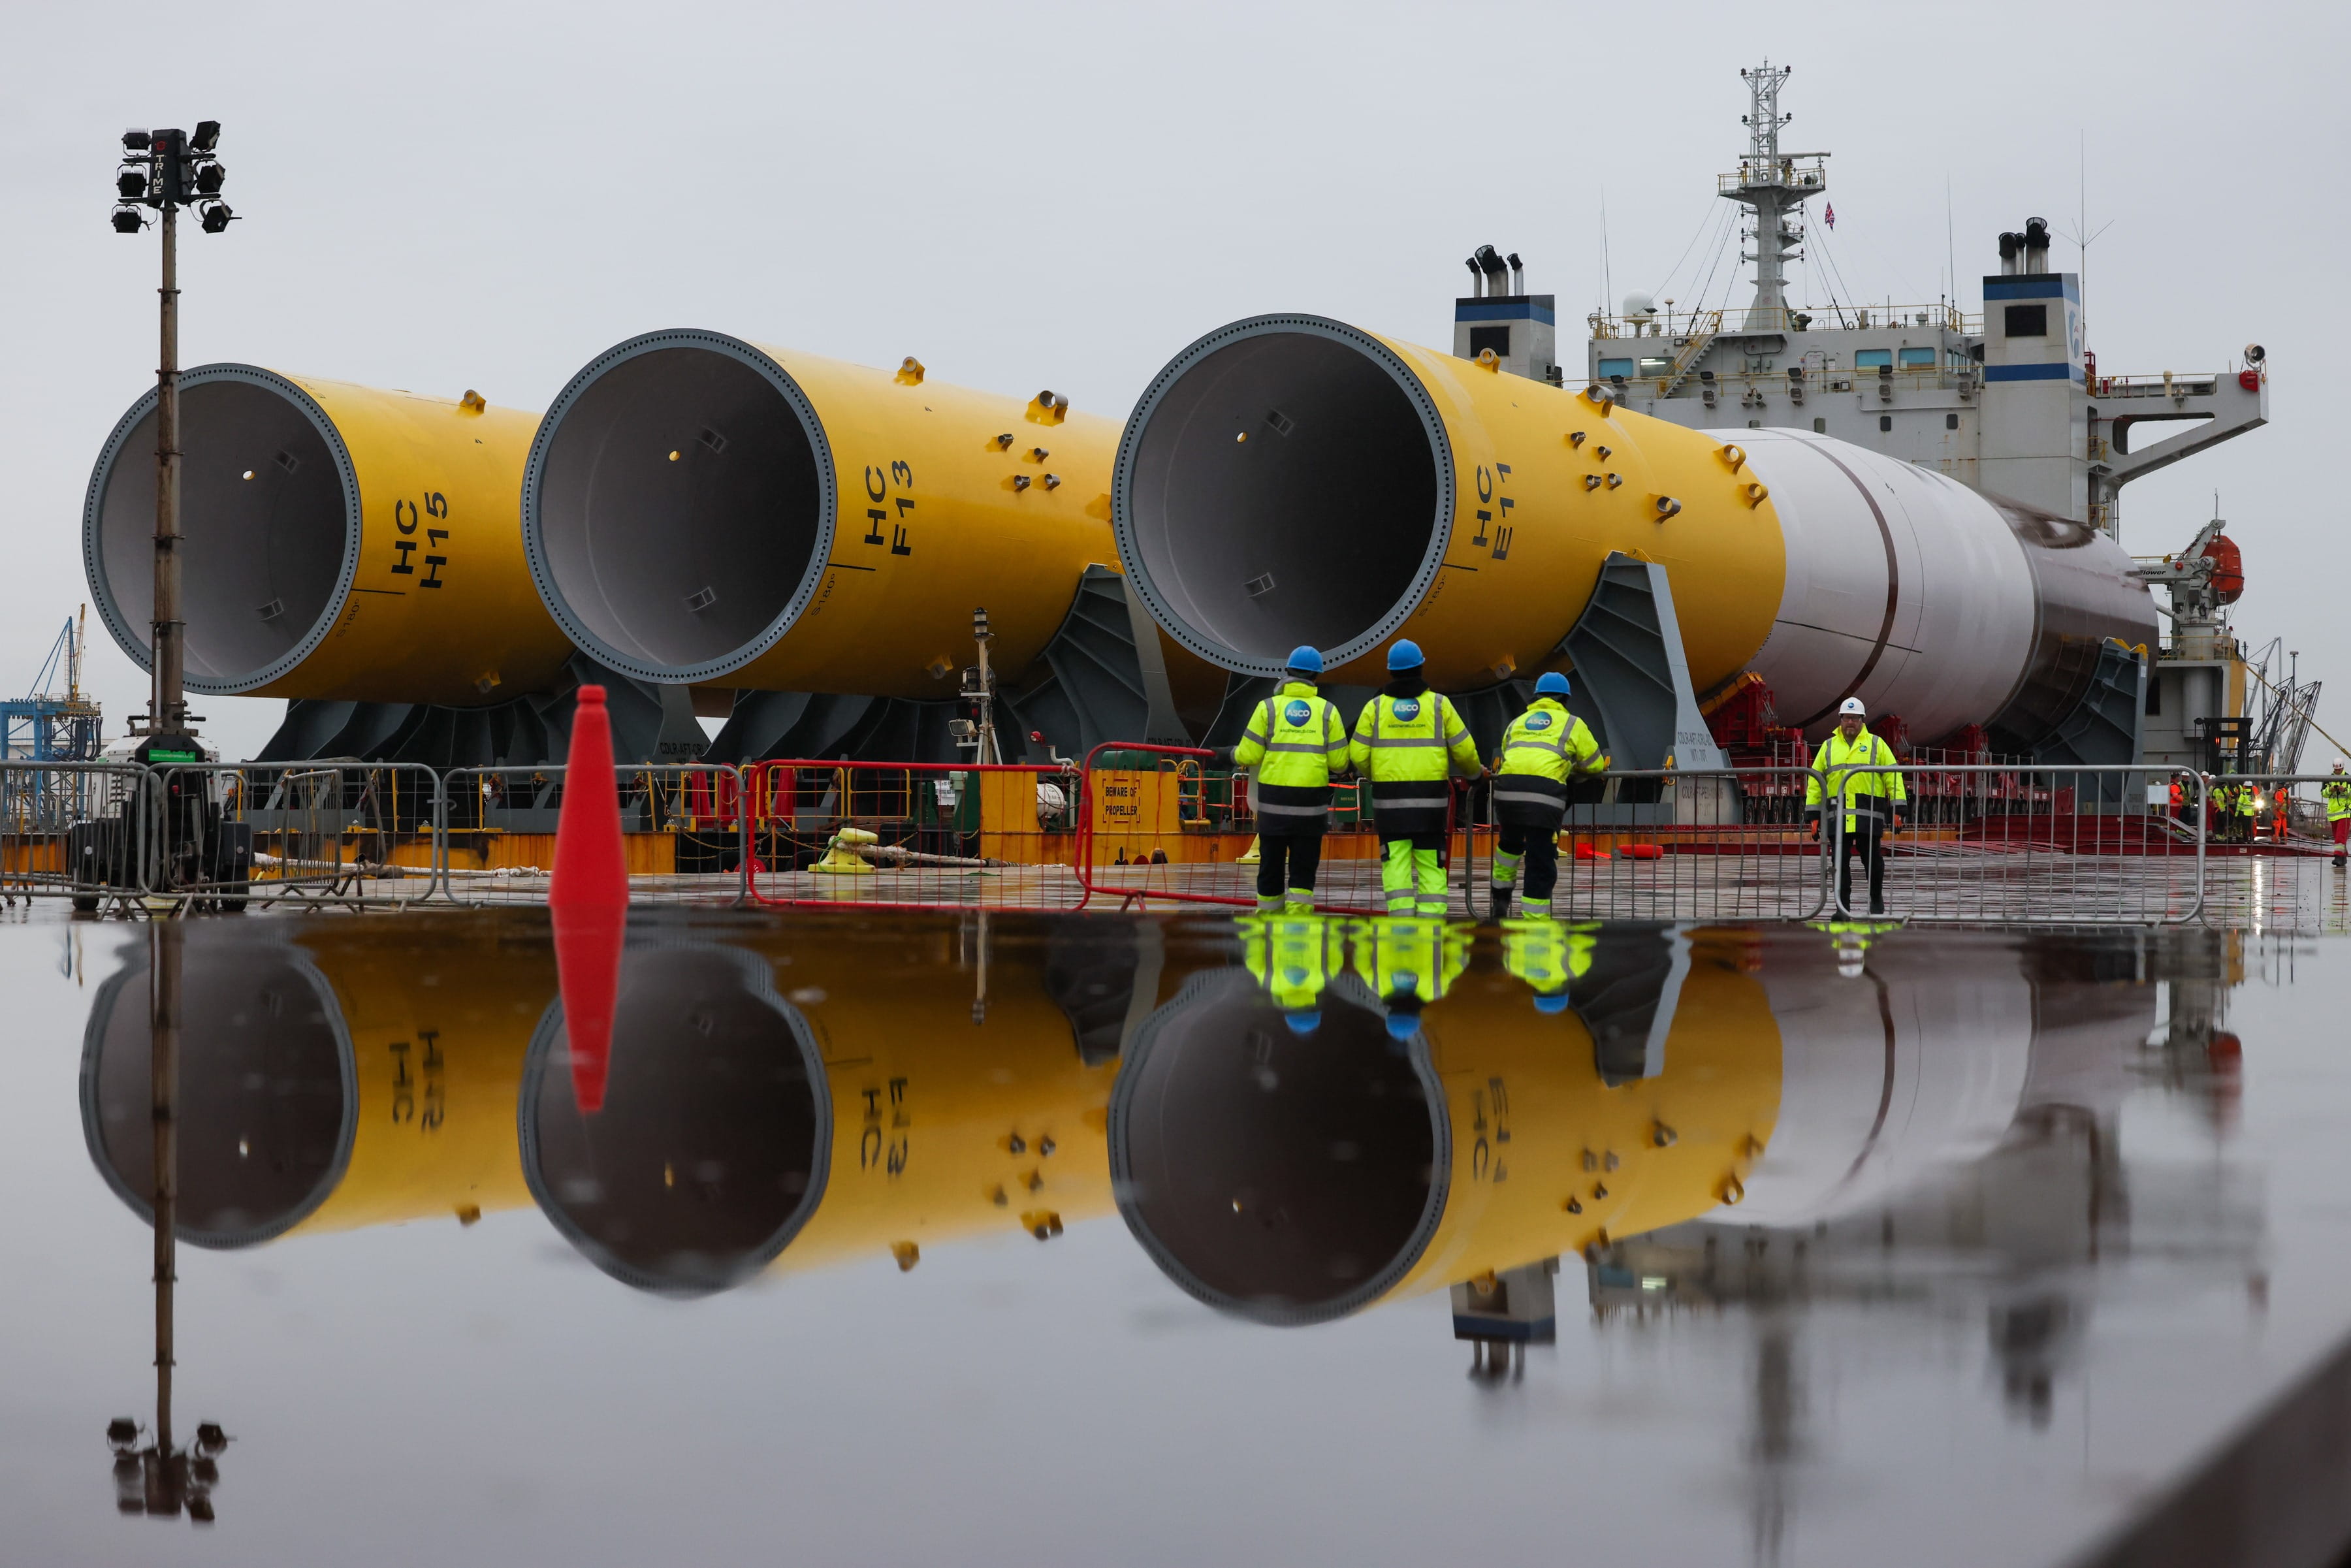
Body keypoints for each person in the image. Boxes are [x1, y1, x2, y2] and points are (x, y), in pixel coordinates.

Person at [1349, 640, 1482, 916]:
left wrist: (1375, 776)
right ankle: (1431, 922)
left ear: (1390, 671)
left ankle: (1401, 924)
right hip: (1431, 802)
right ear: (1421, 667)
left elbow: (1358, 754)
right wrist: (1475, 775)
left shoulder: (1375, 708)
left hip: (1389, 801)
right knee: (1431, 862)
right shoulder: (1439, 705)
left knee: (1395, 861)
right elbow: (1465, 750)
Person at [1224, 645, 1350, 912]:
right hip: (1311, 805)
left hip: (1274, 804)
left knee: (1270, 865)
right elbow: (1340, 764)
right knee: (1303, 869)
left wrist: (1227, 754)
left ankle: (1268, 920)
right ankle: (1299, 925)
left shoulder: (1267, 708)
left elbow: (1249, 754)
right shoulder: (1328, 711)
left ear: (1288, 672)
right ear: (1316, 676)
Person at [1486, 671, 1607, 920]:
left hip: (1507, 791)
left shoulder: (1518, 722)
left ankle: (1500, 901)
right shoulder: (1572, 724)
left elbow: (1509, 755)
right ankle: (1534, 920)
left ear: (1537, 696)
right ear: (1565, 698)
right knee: (1540, 857)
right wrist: (1569, 770)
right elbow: (1595, 765)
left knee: (1509, 847)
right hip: (1544, 795)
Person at [1804, 697, 1907, 915]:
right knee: (1839, 866)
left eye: (1855, 718)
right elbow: (1815, 782)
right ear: (1841, 720)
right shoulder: (1828, 747)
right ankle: (1843, 909)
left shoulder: (1877, 744)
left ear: (1862, 720)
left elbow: (1893, 777)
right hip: (1837, 817)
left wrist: (1899, 809)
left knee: (1873, 863)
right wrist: (1813, 816)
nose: (1850, 722)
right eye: (1847, 718)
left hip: (1868, 816)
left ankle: (1876, 899)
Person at [2326, 761, 2351, 867]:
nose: (2337, 771)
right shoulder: (2329, 779)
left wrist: (2345, 790)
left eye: (2339, 770)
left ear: (2342, 768)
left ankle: (2337, 857)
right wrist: (2330, 790)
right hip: (2333, 813)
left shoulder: (2348, 779)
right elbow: (2323, 793)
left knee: (2341, 836)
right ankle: (2343, 856)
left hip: (2345, 812)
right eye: (2336, 770)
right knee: (2337, 836)